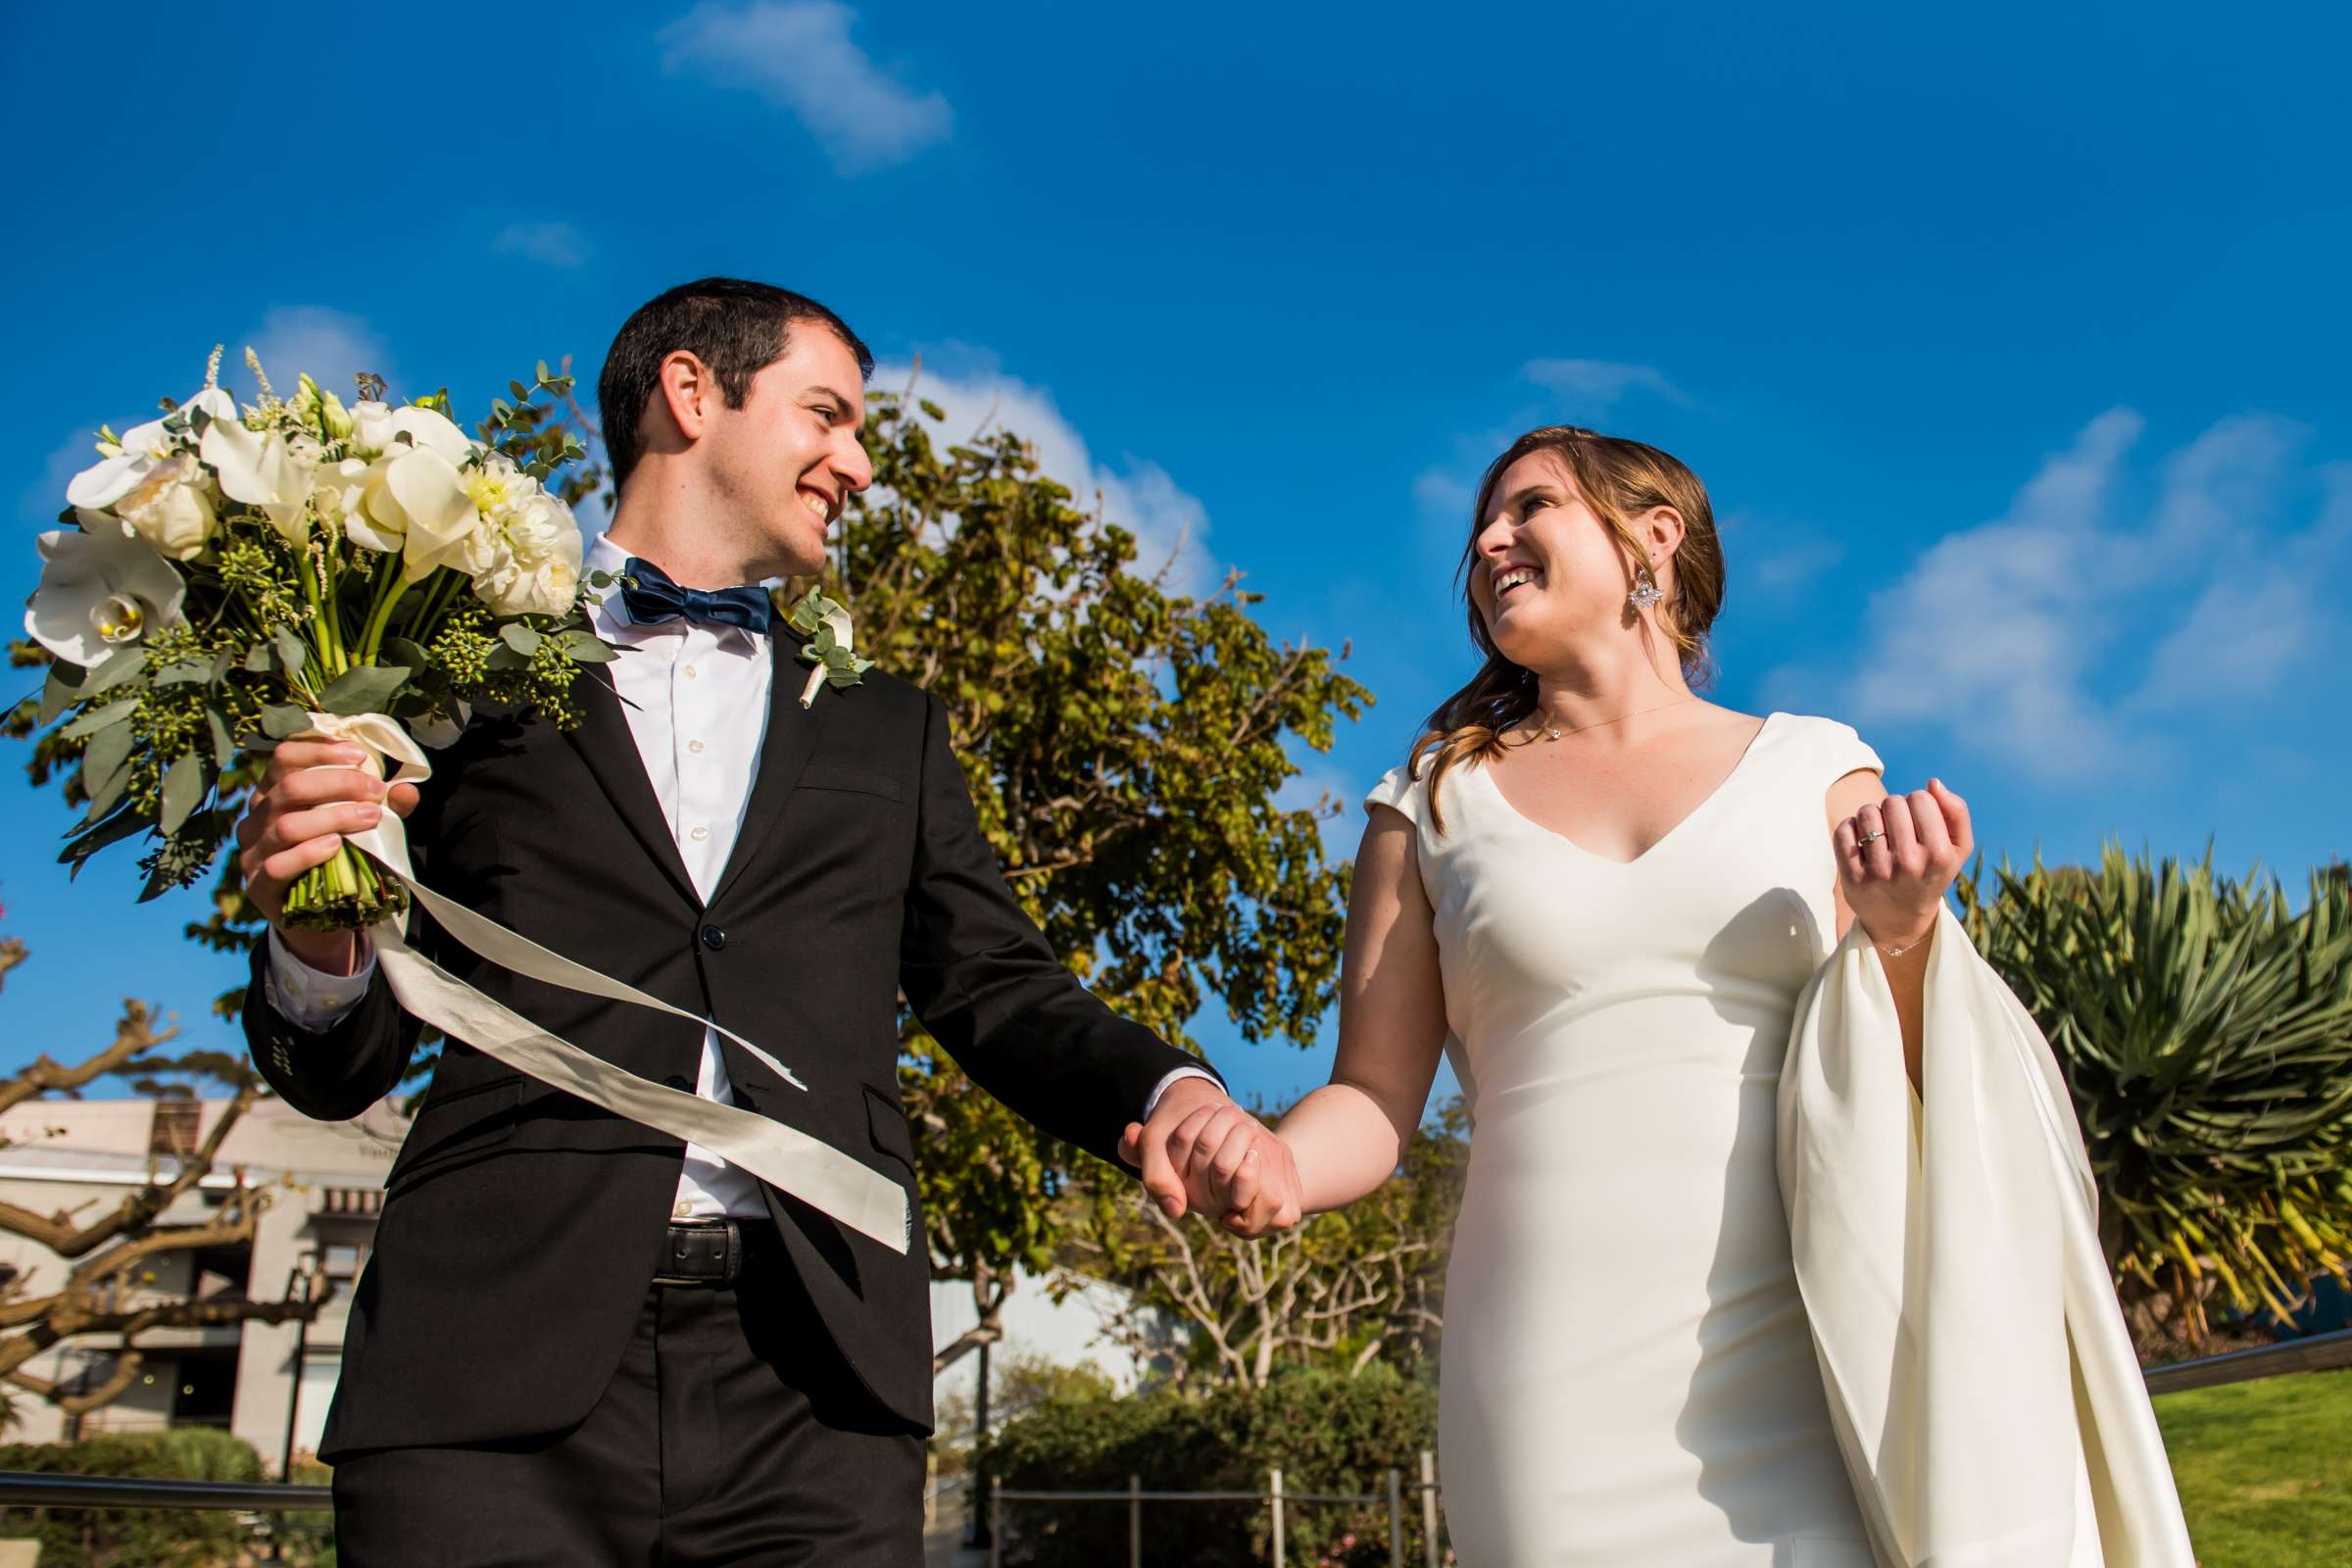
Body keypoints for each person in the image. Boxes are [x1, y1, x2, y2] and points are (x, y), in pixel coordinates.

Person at [234, 278, 1268, 1565]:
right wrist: (315, 935)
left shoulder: (893, 728)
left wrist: (1168, 1090)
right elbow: (343, 1067)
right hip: (484, 1367)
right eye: (826, 415)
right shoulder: (451, 684)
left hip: (817, 1388)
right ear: (689, 395)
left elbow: (1001, 989)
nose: (862, 463)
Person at [1168, 425, 2187, 1564]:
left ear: (1653, 535)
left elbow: (1915, 1073)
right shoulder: (1429, 805)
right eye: (1480, 531)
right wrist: (1282, 1167)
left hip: (1818, 1339)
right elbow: (1369, 1093)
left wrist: (1904, 935)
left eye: (1529, 508)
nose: (1489, 541)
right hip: (1555, 1374)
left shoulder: (1816, 766)